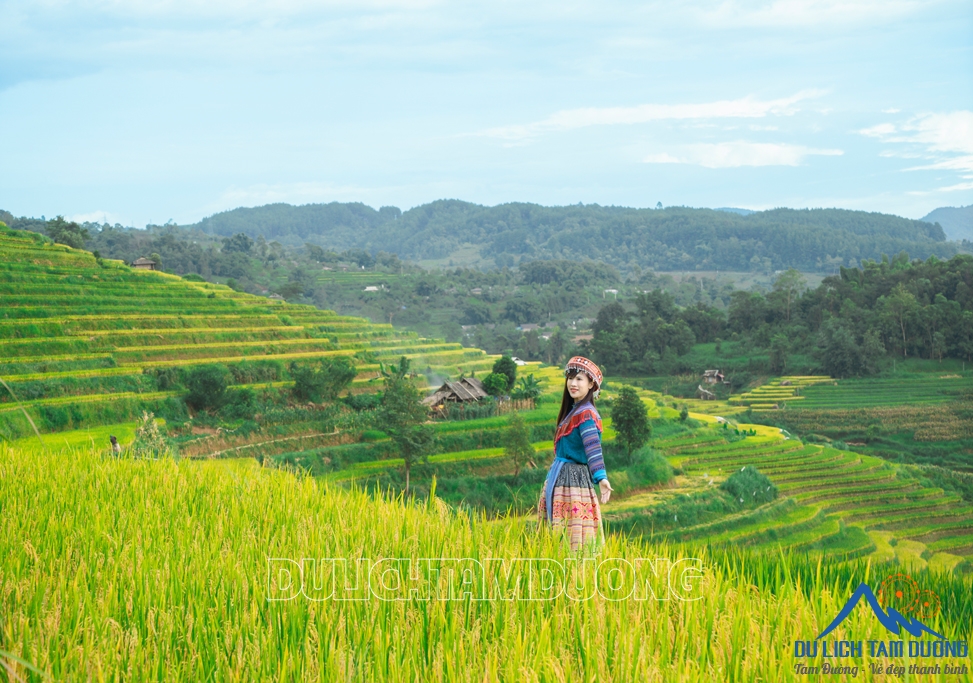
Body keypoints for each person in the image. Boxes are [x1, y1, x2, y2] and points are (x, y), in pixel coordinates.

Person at [537, 356, 612, 553]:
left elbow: (593, 448)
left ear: (591, 384)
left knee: (572, 541)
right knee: (562, 539)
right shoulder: (573, 411)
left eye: (579, 379)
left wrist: (601, 477)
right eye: (570, 378)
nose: (573, 383)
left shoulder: (586, 414)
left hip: (573, 483)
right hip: (560, 477)